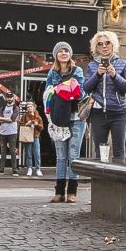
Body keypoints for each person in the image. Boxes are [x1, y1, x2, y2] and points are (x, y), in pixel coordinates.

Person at [44, 42, 87, 203]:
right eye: (60, 51)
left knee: (73, 155)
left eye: (66, 51)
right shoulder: (52, 72)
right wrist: (65, 88)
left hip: (75, 118)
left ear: (70, 54)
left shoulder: (78, 70)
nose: (63, 53)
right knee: (61, 156)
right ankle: (59, 191)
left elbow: (80, 92)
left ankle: (72, 191)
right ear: (56, 55)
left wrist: (59, 89)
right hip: (58, 118)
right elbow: (47, 93)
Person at [84, 31, 126, 163]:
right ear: (96, 47)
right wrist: (98, 75)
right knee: (99, 151)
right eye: (100, 44)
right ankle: (100, 183)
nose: (104, 46)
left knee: (119, 151)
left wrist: (115, 75)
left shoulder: (123, 64)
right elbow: (86, 87)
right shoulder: (92, 65)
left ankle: (119, 182)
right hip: (98, 113)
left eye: (107, 43)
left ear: (113, 45)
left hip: (118, 113)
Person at [17, 101, 43, 178]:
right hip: (28, 136)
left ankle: (38, 169)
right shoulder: (24, 116)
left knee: (37, 153)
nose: (29, 108)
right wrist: (26, 124)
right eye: (28, 107)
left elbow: (42, 127)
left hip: (35, 136)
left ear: (34, 107)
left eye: (30, 106)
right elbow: (20, 125)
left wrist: (37, 124)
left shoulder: (38, 116)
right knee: (28, 153)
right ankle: (29, 168)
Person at [0, 96, 19, 175]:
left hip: (12, 132)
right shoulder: (2, 107)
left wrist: (3, 119)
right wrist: (7, 119)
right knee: (3, 151)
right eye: (7, 97)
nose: (9, 99)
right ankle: (1, 169)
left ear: (13, 98)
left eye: (10, 97)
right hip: (3, 132)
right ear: (6, 98)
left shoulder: (16, 107)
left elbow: (12, 119)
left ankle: (14, 170)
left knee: (12, 151)